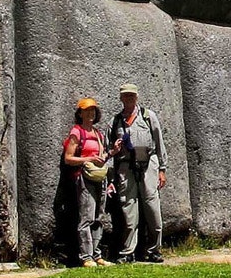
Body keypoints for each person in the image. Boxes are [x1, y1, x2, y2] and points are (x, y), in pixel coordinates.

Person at [109, 83, 168, 264]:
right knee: (128, 210)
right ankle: (128, 252)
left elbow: (159, 143)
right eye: (126, 95)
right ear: (121, 98)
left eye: (132, 95)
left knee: (152, 207)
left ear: (137, 97)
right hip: (125, 167)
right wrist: (110, 177)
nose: (129, 98)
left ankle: (154, 250)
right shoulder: (115, 122)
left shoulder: (148, 117)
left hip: (148, 165)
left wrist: (162, 169)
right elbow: (108, 151)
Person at [62, 97, 114, 267]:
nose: (91, 113)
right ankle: (86, 257)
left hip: (99, 177)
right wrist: (89, 158)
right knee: (87, 217)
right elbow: (68, 158)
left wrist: (112, 152)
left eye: (93, 110)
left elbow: (102, 158)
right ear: (80, 114)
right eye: (87, 110)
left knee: (99, 217)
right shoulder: (77, 132)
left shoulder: (98, 134)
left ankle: (97, 255)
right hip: (84, 178)